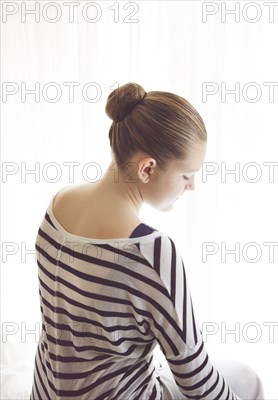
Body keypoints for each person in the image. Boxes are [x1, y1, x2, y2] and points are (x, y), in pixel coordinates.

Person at [29, 82, 264, 400]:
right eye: (186, 175)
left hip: (45, 392)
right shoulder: (150, 252)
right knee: (247, 378)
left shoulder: (59, 203)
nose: (191, 186)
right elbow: (197, 382)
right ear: (147, 168)